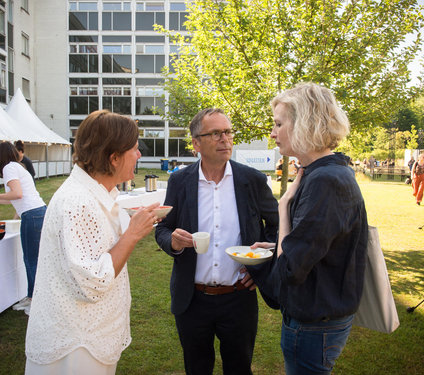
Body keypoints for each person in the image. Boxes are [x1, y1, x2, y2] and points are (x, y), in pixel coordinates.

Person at [25, 110, 159, 375]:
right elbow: (92, 282)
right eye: (134, 149)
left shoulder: (95, 192)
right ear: (114, 157)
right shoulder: (77, 202)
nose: (139, 155)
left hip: (88, 336)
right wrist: (132, 234)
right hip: (76, 346)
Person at [250, 82, 368, 375]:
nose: (272, 133)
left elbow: (290, 269)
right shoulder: (324, 173)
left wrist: (282, 207)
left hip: (315, 323)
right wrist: (276, 245)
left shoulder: (324, 180)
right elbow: (318, 245)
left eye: (279, 124)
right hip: (320, 316)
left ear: (304, 123)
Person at [155, 108, 279, 375]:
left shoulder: (252, 180)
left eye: (228, 132)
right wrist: (174, 242)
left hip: (238, 299)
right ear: (196, 143)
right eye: (215, 133)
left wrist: (259, 268)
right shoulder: (180, 180)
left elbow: (279, 226)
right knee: (197, 369)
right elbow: (163, 228)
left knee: (239, 369)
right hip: (192, 299)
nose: (225, 139)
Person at [0, 141, 47, 315]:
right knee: (33, 258)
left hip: (32, 214)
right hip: (38, 212)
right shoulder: (17, 167)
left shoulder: (9, 168)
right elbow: (15, 197)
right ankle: (32, 296)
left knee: (31, 259)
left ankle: (35, 300)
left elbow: (17, 194)